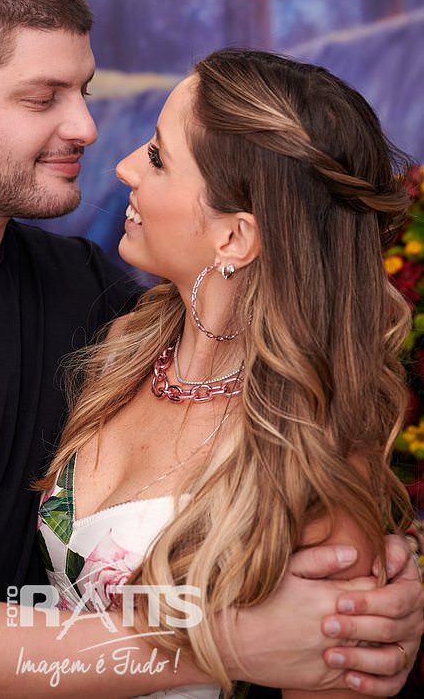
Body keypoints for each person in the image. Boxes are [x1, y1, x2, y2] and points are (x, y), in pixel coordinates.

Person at [0, 0, 420, 698]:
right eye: (41, 97)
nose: (86, 126)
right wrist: (230, 642)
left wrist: (369, 605)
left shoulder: (91, 291)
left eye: (82, 90)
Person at [36, 48, 424, 697]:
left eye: (158, 156)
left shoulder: (314, 467)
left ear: (235, 238)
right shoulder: (125, 350)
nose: (125, 166)